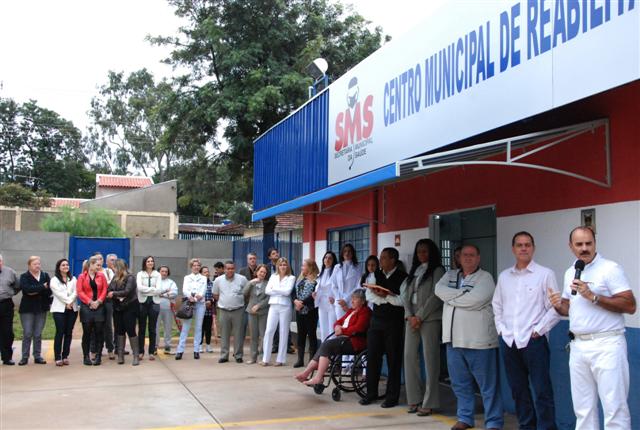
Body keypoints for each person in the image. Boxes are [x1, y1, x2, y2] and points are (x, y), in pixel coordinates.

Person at [548, 226, 636, 430]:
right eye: (579, 244)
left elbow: (630, 306)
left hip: (607, 344)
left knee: (614, 407)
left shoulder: (610, 268)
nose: (584, 248)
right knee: (583, 409)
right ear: (570, 246)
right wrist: (557, 305)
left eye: (588, 243)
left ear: (595, 243)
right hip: (578, 346)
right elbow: (569, 308)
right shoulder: (571, 271)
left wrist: (594, 297)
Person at [493, 232, 560, 430]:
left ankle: (547, 428)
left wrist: (538, 331)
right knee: (518, 390)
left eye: (527, 245)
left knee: (542, 390)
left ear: (533, 248)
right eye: (519, 245)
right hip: (509, 341)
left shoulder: (545, 274)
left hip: (534, 342)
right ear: (513, 249)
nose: (523, 248)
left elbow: (555, 308)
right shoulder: (504, 276)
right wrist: (501, 330)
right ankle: (526, 426)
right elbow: (497, 305)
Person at [435, 244, 503, 430]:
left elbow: (475, 300)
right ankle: (465, 418)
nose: (468, 258)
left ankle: (494, 422)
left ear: (478, 258)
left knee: (488, 386)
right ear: (459, 258)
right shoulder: (449, 276)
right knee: (460, 384)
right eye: (464, 255)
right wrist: (462, 294)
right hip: (453, 341)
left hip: (480, 342)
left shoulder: (485, 278)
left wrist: (450, 298)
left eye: (472, 255)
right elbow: (438, 290)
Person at [359, 248, 407, 408]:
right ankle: (371, 393)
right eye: (381, 257)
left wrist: (385, 296)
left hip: (394, 323)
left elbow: (402, 301)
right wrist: (387, 299)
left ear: (393, 260)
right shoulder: (376, 274)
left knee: (394, 359)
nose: (381, 260)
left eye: (384, 258)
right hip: (376, 321)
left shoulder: (403, 277)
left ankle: (392, 397)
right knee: (373, 357)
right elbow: (369, 295)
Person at [403, 239, 446, 416]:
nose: (421, 254)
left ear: (432, 252)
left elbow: (436, 296)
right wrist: (409, 314)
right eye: (419, 251)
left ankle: (429, 402)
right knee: (409, 356)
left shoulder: (438, 270)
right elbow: (406, 294)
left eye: (425, 251)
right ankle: (414, 398)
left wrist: (419, 316)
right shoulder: (414, 270)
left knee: (430, 359)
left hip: (429, 319)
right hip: (411, 318)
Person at [296, 289, 372, 385]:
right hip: (345, 339)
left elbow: (358, 328)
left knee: (327, 345)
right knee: (325, 346)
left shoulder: (365, 312)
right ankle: (307, 373)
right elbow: (339, 321)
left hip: (355, 342)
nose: (352, 301)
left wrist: (342, 330)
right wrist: (337, 326)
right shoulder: (352, 311)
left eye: (355, 299)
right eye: (352, 298)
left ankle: (317, 377)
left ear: (363, 301)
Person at [18, 256, 52, 365]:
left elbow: (49, 291)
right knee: (27, 333)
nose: (37, 266)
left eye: (39, 263)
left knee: (38, 333)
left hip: (41, 308)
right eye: (35, 264)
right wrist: (42, 287)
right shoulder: (24, 276)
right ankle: (24, 357)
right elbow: (27, 290)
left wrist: (36, 289)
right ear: (29, 265)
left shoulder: (45, 275)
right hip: (27, 309)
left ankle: (37, 356)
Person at [262, 257, 295, 366]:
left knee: (283, 332)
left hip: (285, 306)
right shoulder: (273, 276)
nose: (282, 267)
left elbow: (287, 292)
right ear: (277, 266)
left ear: (287, 266)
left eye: (284, 265)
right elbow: (267, 290)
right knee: (269, 331)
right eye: (280, 265)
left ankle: (280, 359)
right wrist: (279, 291)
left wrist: (274, 289)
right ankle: (265, 359)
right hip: (273, 305)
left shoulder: (291, 278)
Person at [213, 261, 248, 363]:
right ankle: (224, 355)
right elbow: (215, 294)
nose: (230, 270)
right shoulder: (218, 280)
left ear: (235, 269)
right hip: (224, 310)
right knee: (224, 334)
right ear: (224, 269)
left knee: (239, 334)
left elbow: (247, 292)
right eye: (228, 268)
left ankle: (238, 355)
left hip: (239, 310)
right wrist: (225, 301)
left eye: (232, 268)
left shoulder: (242, 279)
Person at [77, 255, 109, 366]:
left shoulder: (101, 276)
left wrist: (99, 301)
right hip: (87, 306)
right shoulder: (82, 276)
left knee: (99, 332)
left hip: (99, 306)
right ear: (91, 264)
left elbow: (105, 289)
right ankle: (86, 356)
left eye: (100, 265)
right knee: (87, 332)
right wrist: (90, 302)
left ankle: (98, 356)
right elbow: (80, 291)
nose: (99, 267)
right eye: (97, 265)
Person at [107, 259, 140, 365]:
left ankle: (136, 355)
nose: (113, 269)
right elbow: (109, 289)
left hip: (130, 307)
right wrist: (114, 293)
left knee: (131, 330)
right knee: (119, 330)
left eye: (115, 267)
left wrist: (114, 294)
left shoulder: (130, 277)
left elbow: (127, 291)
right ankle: (120, 355)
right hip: (117, 308)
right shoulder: (115, 277)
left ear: (120, 267)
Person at [176, 258, 207, 360]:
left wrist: (198, 297)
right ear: (191, 267)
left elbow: (203, 290)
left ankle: (196, 350)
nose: (196, 267)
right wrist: (191, 297)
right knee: (186, 327)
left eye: (198, 265)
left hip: (200, 304)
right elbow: (185, 289)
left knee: (198, 327)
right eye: (194, 265)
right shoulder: (187, 277)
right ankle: (180, 350)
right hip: (189, 303)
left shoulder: (203, 278)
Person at [50, 258, 78, 366]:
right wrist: (67, 302)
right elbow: (58, 293)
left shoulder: (73, 279)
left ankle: (65, 356)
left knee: (68, 332)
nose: (66, 266)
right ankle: (58, 357)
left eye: (67, 265)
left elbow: (76, 292)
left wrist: (70, 302)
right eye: (63, 265)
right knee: (60, 332)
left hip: (72, 309)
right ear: (58, 267)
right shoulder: (54, 280)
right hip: (59, 310)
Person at [293, 258, 319, 368]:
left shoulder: (316, 281)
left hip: (310, 311)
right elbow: (293, 292)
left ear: (310, 267)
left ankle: (312, 361)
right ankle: (300, 360)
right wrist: (295, 301)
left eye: (304, 265)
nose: (302, 267)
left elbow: (314, 295)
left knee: (311, 335)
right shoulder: (300, 279)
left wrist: (302, 303)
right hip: (299, 310)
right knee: (301, 335)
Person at [136, 255, 162, 361]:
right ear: (144, 263)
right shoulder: (140, 274)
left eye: (152, 261)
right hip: (142, 303)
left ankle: (151, 352)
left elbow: (159, 290)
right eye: (148, 261)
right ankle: (141, 352)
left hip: (154, 303)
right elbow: (139, 288)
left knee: (152, 328)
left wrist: (148, 290)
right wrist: (152, 289)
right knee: (141, 328)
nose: (150, 263)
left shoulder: (157, 274)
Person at [243, 264, 270, 364]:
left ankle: (261, 357)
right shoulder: (251, 282)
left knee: (263, 335)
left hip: (263, 312)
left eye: (264, 272)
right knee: (253, 336)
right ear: (257, 272)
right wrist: (250, 283)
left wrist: (259, 305)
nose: (262, 274)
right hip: (251, 312)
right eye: (261, 271)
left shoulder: (268, 284)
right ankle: (253, 357)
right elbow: (244, 293)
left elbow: (269, 298)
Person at [330, 244, 363, 320]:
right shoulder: (337, 267)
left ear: (353, 253)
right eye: (345, 251)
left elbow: (358, 286)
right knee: (340, 324)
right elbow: (333, 285)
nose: (347, 253)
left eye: (349, 251)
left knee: (351, 324)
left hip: (352, 301)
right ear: (342, 253)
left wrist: (346, 299)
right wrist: (341, 300)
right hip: (339, 302)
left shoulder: (358, 267)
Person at [93, 252, 115, 360]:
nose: (99, 261)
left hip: (107, 300)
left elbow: (112, 283)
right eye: (97, 259)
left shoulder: (108, 271)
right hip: (95, 301)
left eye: (101, 258)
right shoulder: (91, 272)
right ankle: (94, 350)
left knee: (108, 325)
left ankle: (110, 349)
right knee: (95, 326)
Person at [314, 251, 338, 342]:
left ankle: (332, 350)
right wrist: (315, 293)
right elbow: (319, 288)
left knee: (332, 329)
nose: (327, 260)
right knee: (323, 330)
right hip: (321, 304)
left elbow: (339, 287)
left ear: (333, 261)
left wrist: (335, 299)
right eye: (325, 257)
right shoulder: (320, 274)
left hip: (331, 304)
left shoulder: (335, 273)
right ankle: (324, 349)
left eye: (330, 258)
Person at [0, 254, 19, 365]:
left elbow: (17, 285)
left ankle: (7, 357)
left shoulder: (10, 272)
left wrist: (11, 293)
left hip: (6, 304)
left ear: (2, 262)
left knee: (7, 332)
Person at [156, 265, 178, 354]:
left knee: (168, 327)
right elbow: (154, 292)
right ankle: (155, 346)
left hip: (168, 308)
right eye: (162, 271)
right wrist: (166, 292)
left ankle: (167, 346)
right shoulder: (155, 282)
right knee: (155, 327)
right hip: (156, 307)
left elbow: (174, 293)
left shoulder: (171, 282)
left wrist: (162, 294)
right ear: (159, 272)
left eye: (166, 271)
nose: (164, 273)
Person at [201, 266, 215, 353]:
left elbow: (215, 295)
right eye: (204, 272)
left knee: (208, 328)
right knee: (200, 328)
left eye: (207, 272)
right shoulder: (199, 284)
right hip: (200, 309)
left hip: (209, 310)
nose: (207, 273)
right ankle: (199, 345)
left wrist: (211, 301)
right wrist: (203, 302)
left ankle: (208, 345)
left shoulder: (212, 284)